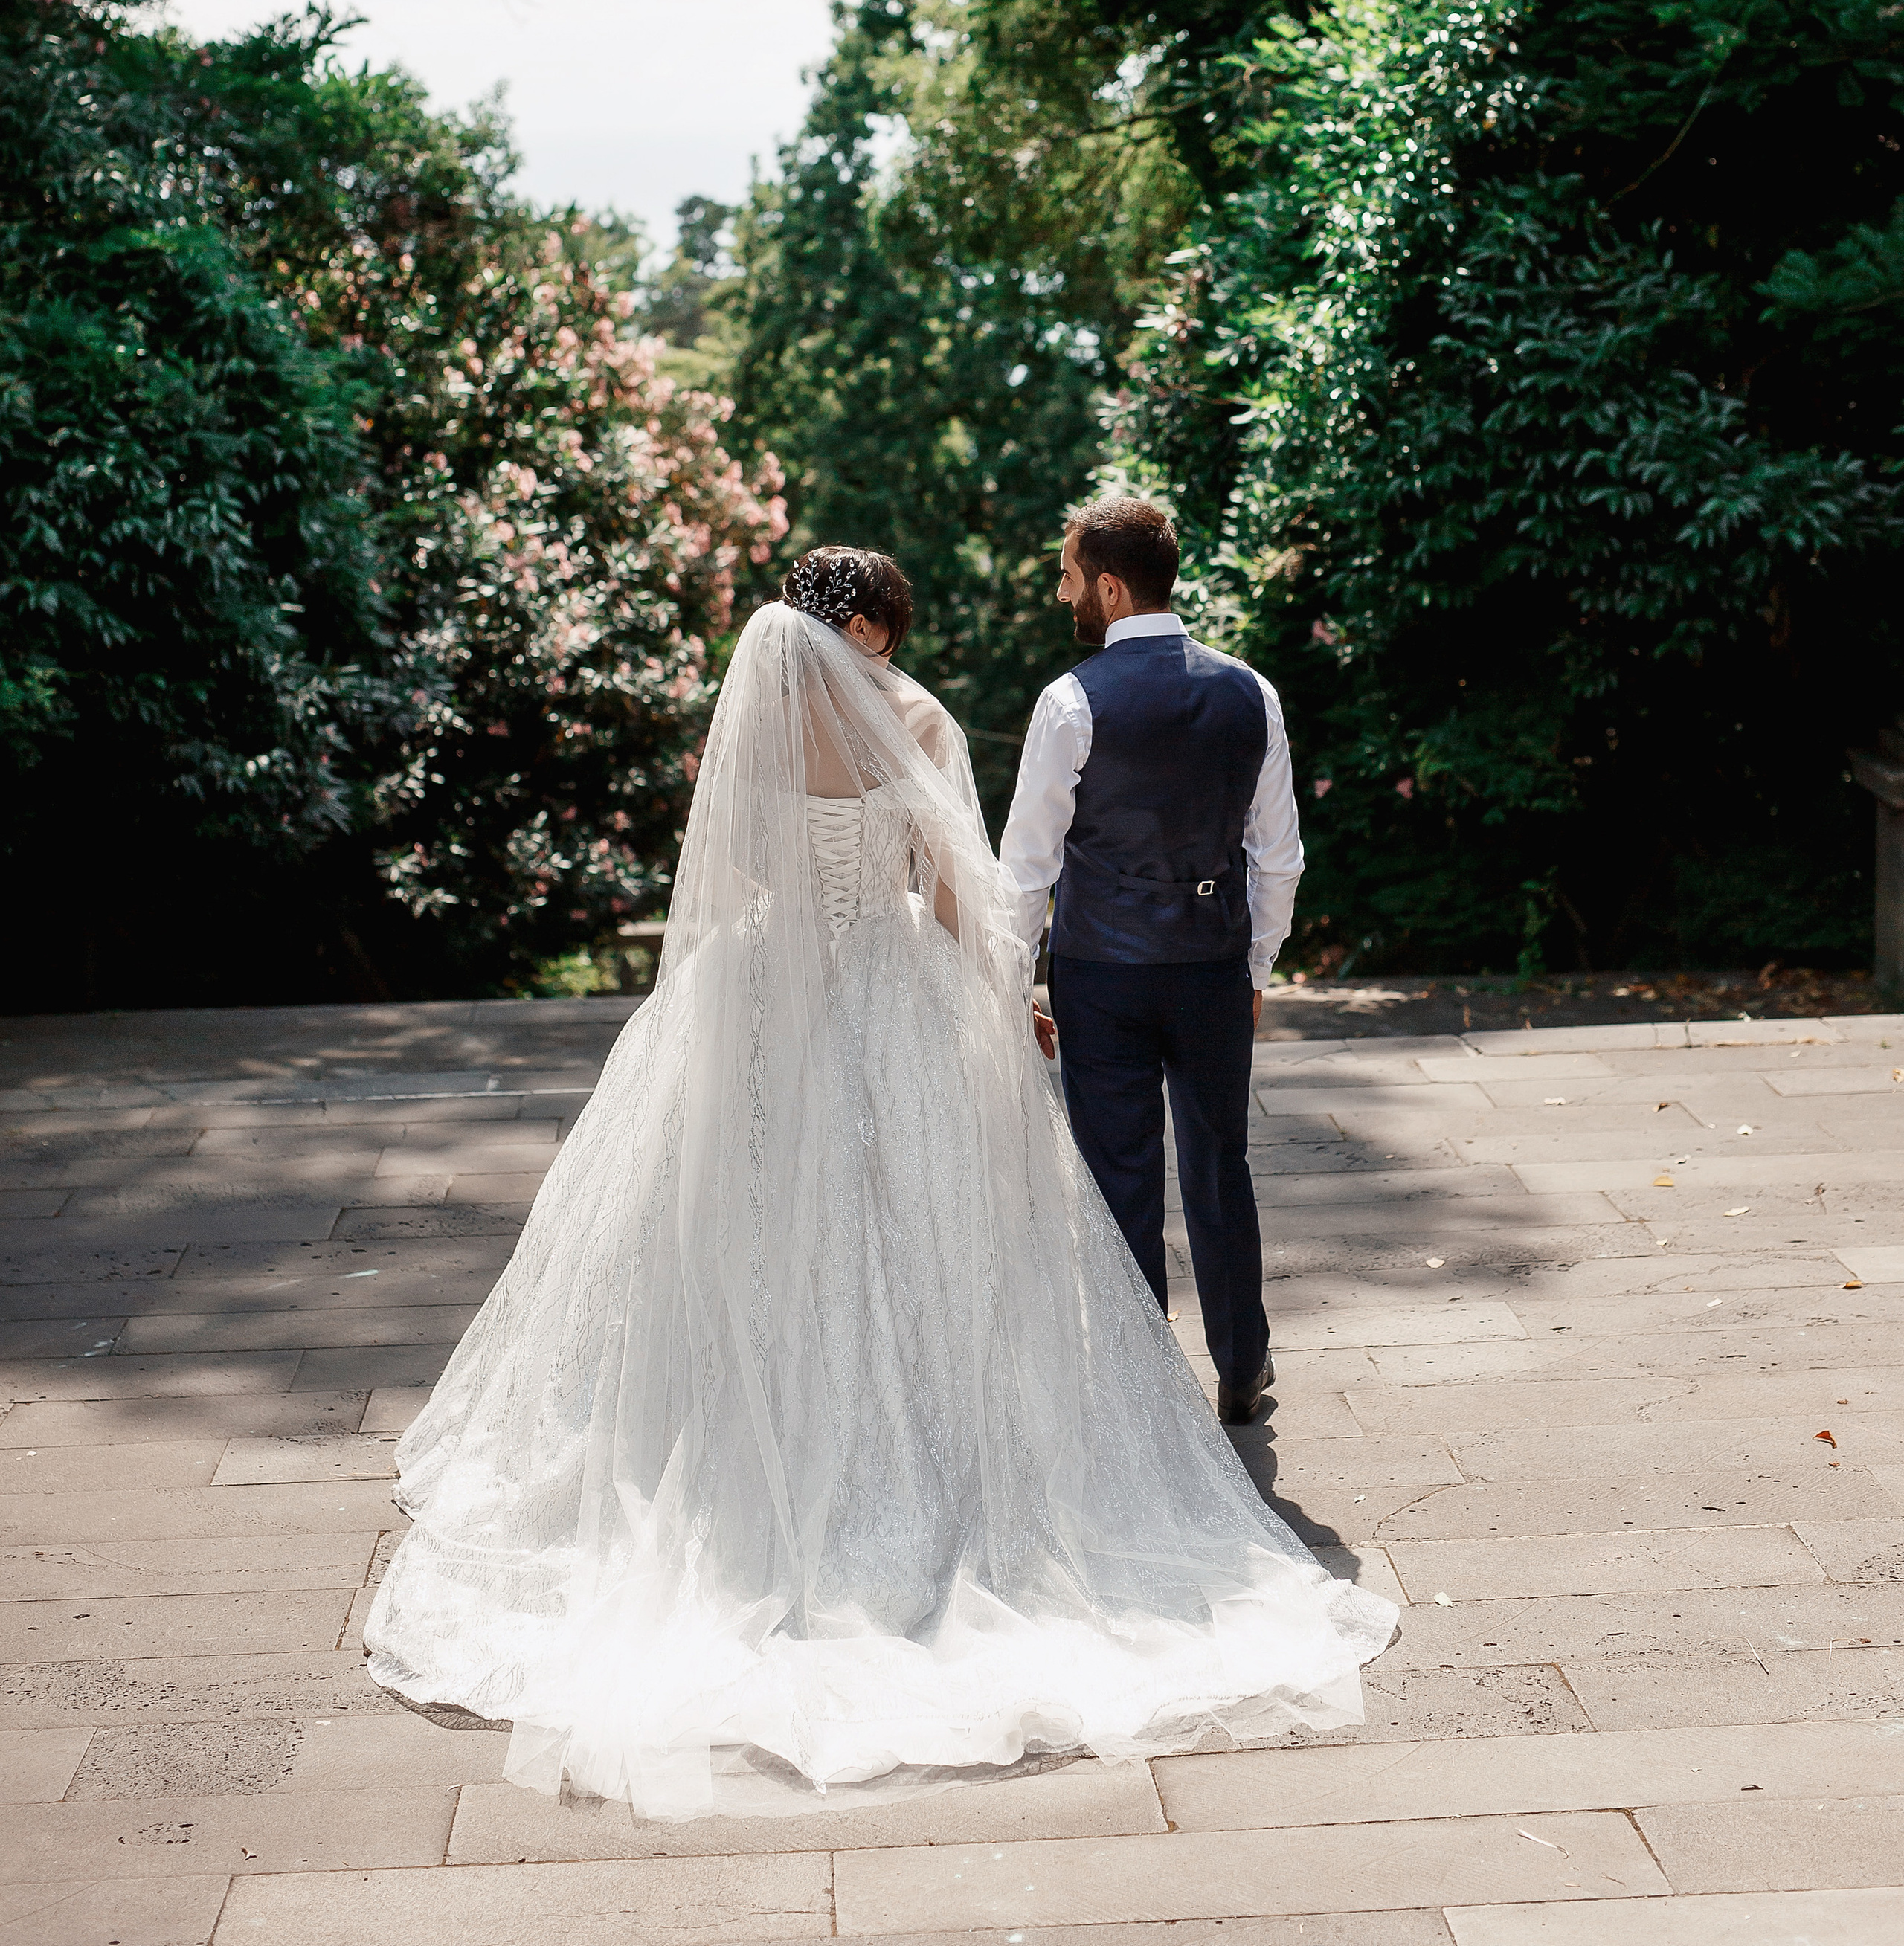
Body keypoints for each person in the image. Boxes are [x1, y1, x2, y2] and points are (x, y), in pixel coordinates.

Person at [364, 546, 1392, 1819]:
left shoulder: (755, 722)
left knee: (727, 1214)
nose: (897, 649)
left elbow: (730, 874)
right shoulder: (917, 720)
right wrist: (1001, 999)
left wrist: (797, 916)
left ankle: (725, 1447)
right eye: (894, 627)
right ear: (868, 627)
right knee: (917, 1222)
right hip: (894, 987)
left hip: (756, 990)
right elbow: (960, 885)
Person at [1000, 497, 1297, 1425]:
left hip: (1102, 973)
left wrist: (1011, 982)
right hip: (1210, 966)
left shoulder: (1070, 700)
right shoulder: (1250, 690)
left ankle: (1141, 1389)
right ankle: (1242, 1365)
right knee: (1220, 1162)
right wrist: (1255, 968)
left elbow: (1027, 864)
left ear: (1111, 585)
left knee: (1118, 1171)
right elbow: (1277, 855)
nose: (1062, 592)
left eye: (1068, 573)